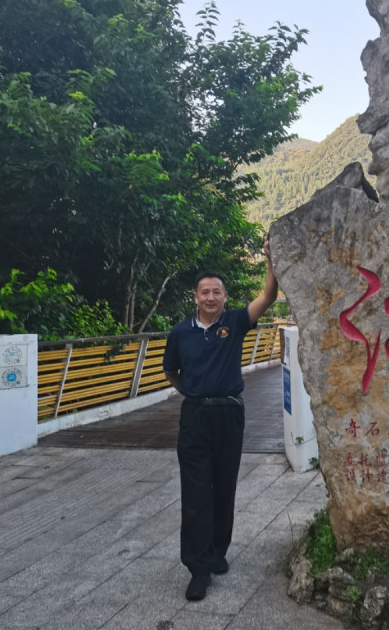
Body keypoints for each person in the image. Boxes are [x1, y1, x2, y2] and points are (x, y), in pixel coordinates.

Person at [163, 233, 278, 601]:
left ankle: (216, 552)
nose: (210, 297)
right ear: (195, 297)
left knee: (224, 486)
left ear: (225, 297)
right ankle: (198, 568)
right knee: (196, 492)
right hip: (195, 417)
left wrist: (270, 258)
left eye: (216, 292)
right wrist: (194, 391)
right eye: (205, 292)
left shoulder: (235, 322)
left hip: (229, 414)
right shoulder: (180, 332)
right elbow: (171, 372)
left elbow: (268, 297)